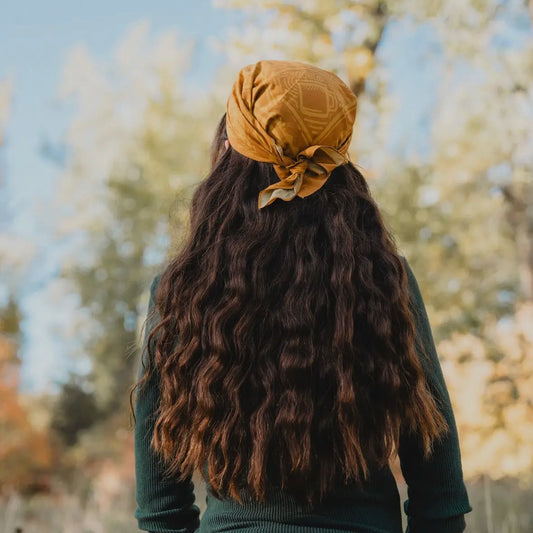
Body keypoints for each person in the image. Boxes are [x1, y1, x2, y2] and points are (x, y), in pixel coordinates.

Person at [132, 60, 472, 533]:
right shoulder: (384, 278)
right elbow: (439, 490)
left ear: (228, 151)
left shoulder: (181, 290)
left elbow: (161, 508)